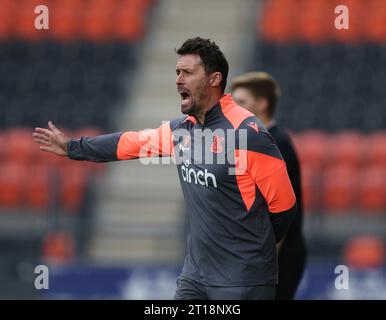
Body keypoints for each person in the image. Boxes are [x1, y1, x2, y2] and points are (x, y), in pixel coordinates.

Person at [32, 37, 297, 300]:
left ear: (214, 80)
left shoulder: (247, 134)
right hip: (196, 277)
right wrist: (73, 148)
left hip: (243, 280)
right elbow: (131, 143)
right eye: (177, 72)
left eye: (188, 72)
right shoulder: (183, 131)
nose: (178, 79)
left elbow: (284, 207)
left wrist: (251, 249)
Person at [231, 71, 307, 300]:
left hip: (276, 259)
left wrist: (264, 267)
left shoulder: (275, 144)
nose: (233, 109)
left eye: (241, 102)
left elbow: (279, 212)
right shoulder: (256, 141)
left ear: (262, 104)